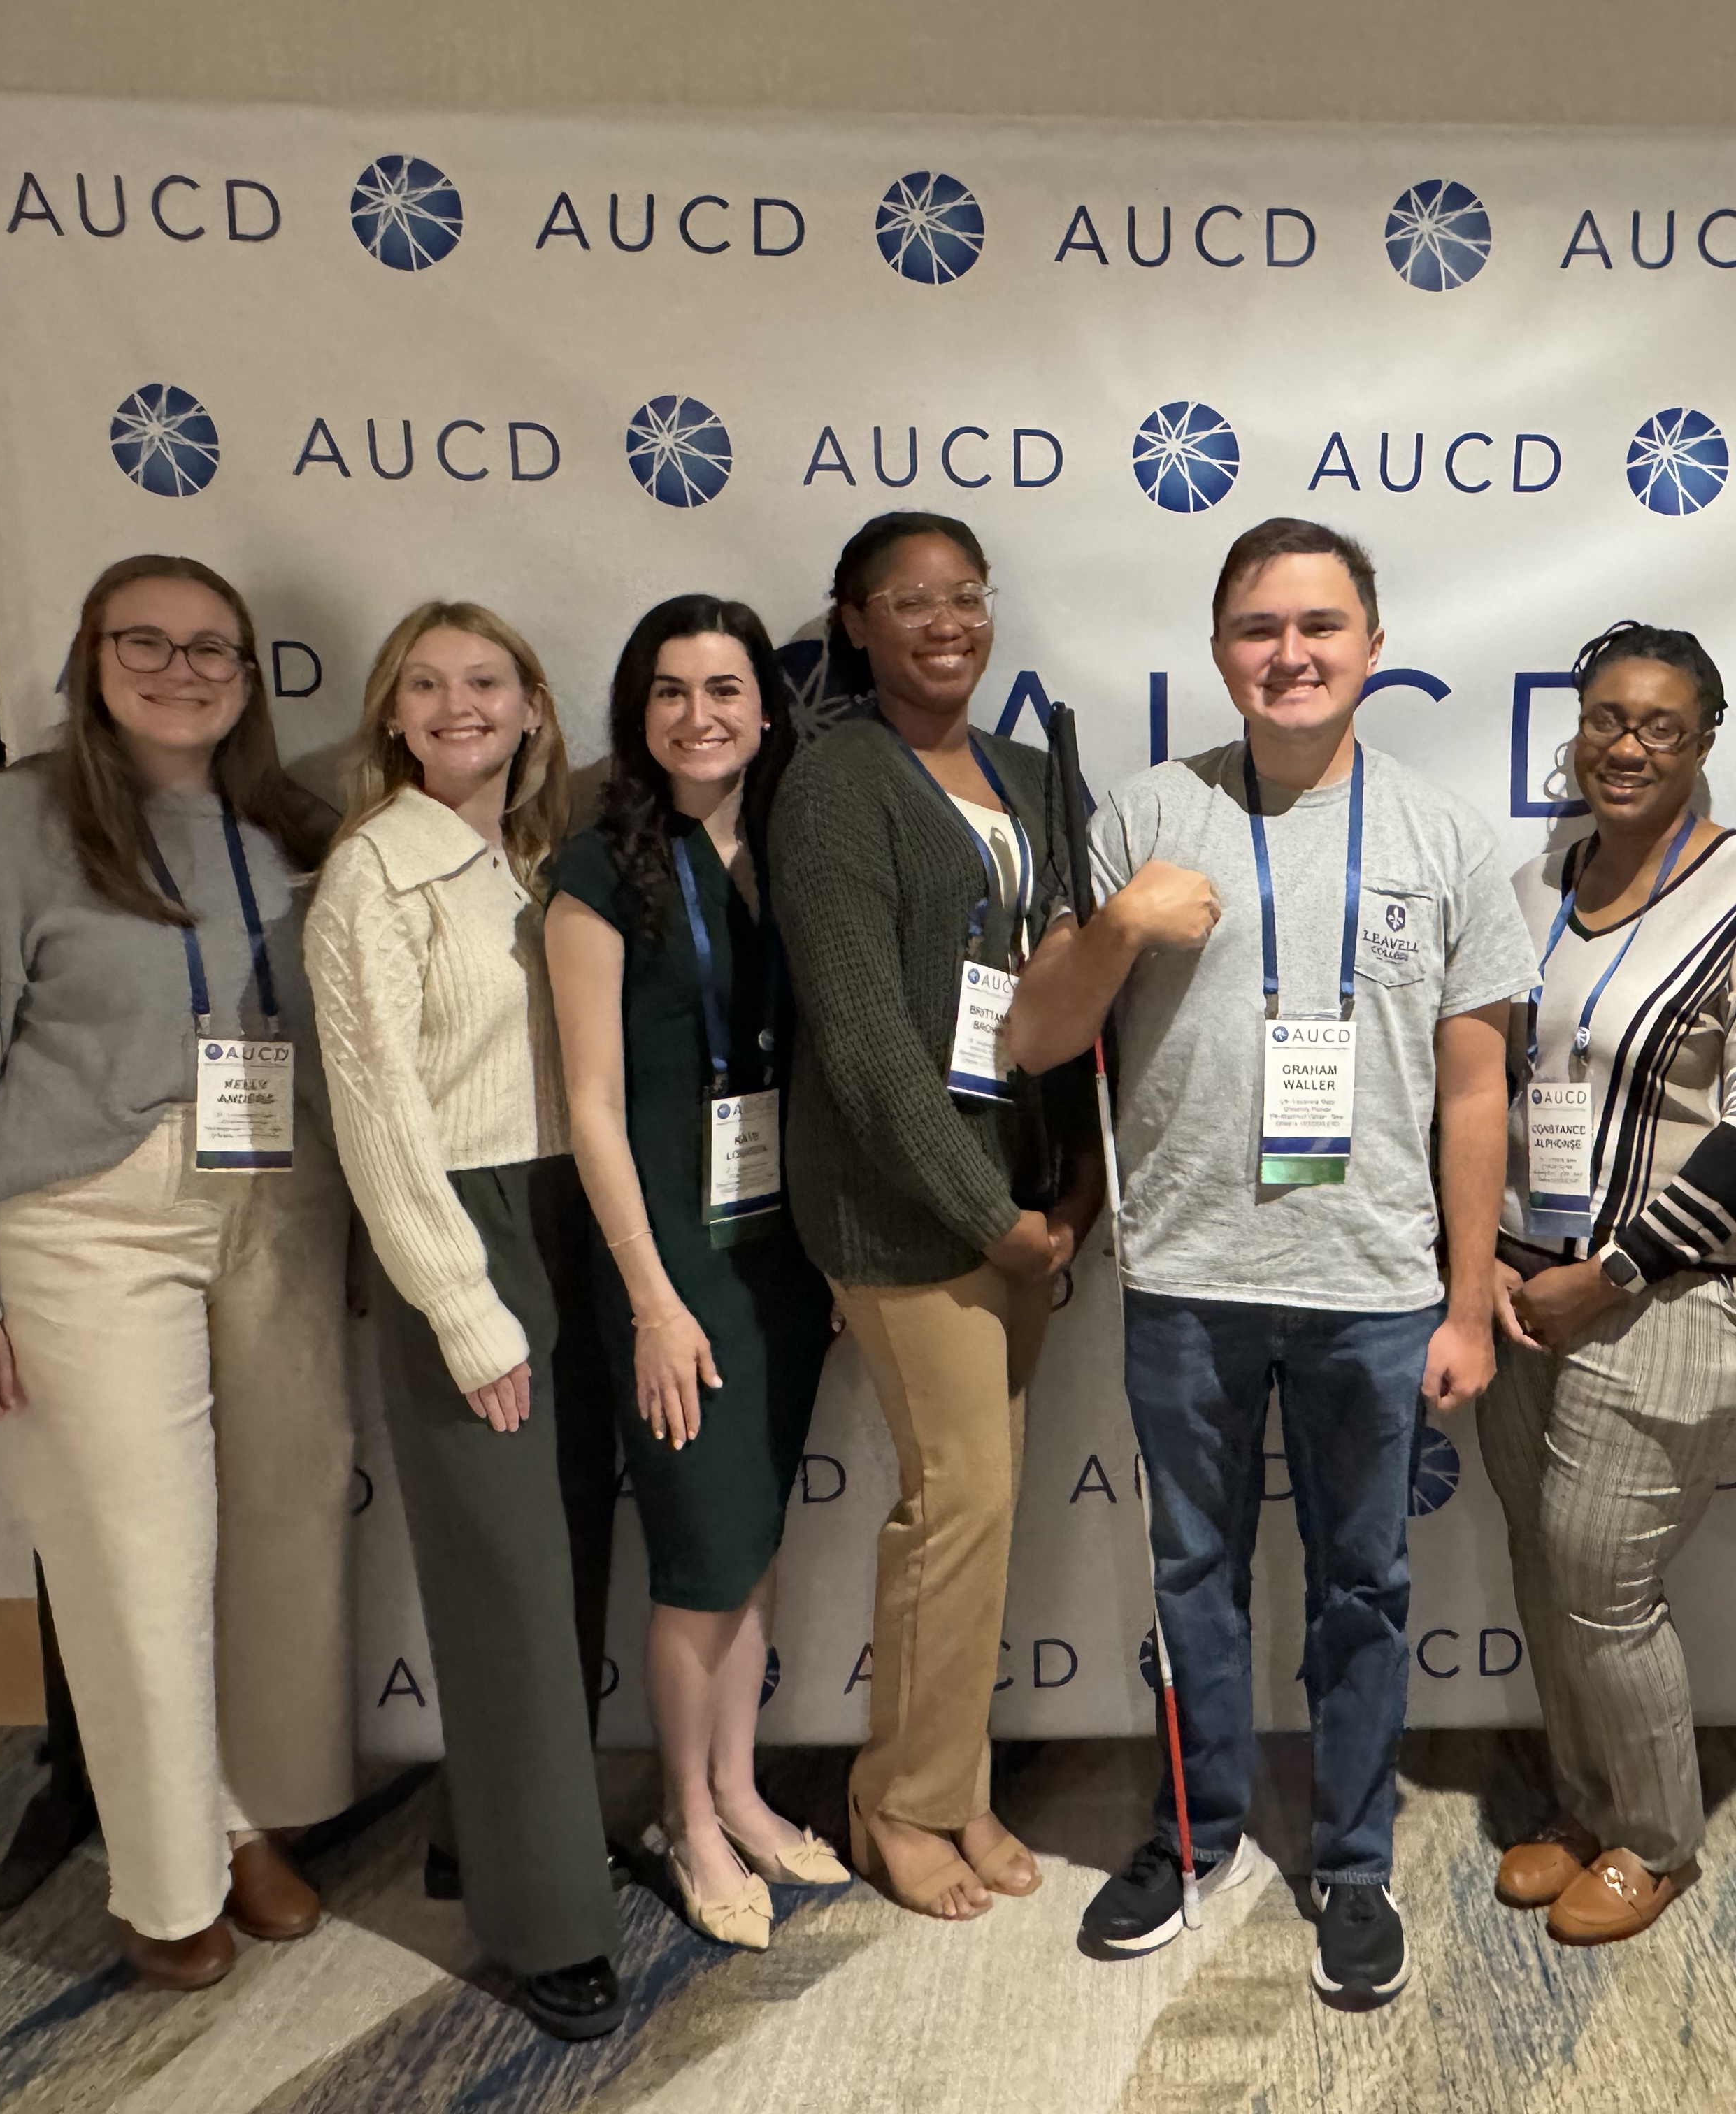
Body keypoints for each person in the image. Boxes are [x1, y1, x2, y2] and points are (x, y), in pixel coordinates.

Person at [1008, 517, 1535, 2008]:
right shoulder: (1145, 814)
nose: (1289, 655)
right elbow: (1039, 1039)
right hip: (1188, 1275)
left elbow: (1478, 1085)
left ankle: (1354, 1863)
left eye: (1319, 626)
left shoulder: (1442, 837)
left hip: (1375, 1289)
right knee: (1193, 1574)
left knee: (1365, 1583)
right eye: (1258, 629)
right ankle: (1192, 1837)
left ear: (1373, 644)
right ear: (1220, 648)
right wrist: (1117, 926)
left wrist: (1470, 1291)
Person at [0, 554, 351, 1988]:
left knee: (280, 1528)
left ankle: (235, 1812)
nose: (183, 669)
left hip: (270, 1211)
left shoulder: (285, 825)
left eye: (215, 649)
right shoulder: (8, 825)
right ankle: (166, 1885)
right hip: (89, 1216)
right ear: (91, 658)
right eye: (145, 642)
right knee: (140, 1559)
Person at [1482, 623, 1736, 1947]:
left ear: (1704, 741)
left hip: (1682, 1290)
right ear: (1574, 732)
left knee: (1601, 1578)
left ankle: (1654, 1837)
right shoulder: (1540, 884)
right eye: (1604, 719)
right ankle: (1586, 1809)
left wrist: (1619, 1266)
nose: (1625, 745)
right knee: (1541, 1562)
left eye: (1659, 726)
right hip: (1533, 1284)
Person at [768, 512, 1102, 1923]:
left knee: (976, 1509)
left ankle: (951, 1783)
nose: (943, 619)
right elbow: (861, 1042)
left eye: (963, 592)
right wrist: (990, 1217)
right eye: (907, 599)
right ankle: (898, 1805)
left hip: (1027, 1204)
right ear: (854, 621)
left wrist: (1070, 1191)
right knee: (955, 1503)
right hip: (910, 1212)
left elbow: (1076, 994)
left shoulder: (1032, 774)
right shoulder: (836, 785)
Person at [304, 601, 622, 2040]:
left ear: (535, 709)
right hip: (467, 1239)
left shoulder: (540, 863)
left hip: (570, 1217)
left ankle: (481, 1831)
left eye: (486, 681)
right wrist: (463, 1308)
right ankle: (549, 1925)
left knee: (554, 1575)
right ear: (389, 718)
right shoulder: (374, 872)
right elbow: (378, 1122)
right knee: (503, 1587)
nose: (458, 704)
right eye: (424, 686)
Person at [547, 595, 846, 1951]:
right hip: (670, 1261)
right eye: (668, 691)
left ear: (766, 708)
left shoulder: (791, 852)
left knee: (756, 1539)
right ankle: (686, 1813)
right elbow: (593, 1109)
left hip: (780, 1247)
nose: (698, 715)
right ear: (637, 714)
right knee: (695, 1556)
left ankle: (740, 1783)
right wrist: (653, 1299)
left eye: (723, 688)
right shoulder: (597, 870)